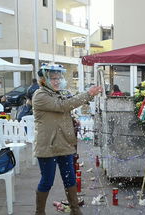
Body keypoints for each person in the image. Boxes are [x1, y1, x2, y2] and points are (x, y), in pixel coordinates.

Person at [33, 64, 102, 215]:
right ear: (43, 80)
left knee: (69, 178)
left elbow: (64, 111)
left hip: (64, 143)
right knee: (47, 181)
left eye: (58, 78)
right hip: (48, 147)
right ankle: (39, 212)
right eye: (52, 78)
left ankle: (75, 210)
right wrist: (88, 94)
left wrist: (72, 120)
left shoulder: (60, 93)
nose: (56, 81)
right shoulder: (40, 96)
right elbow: (63, 106)